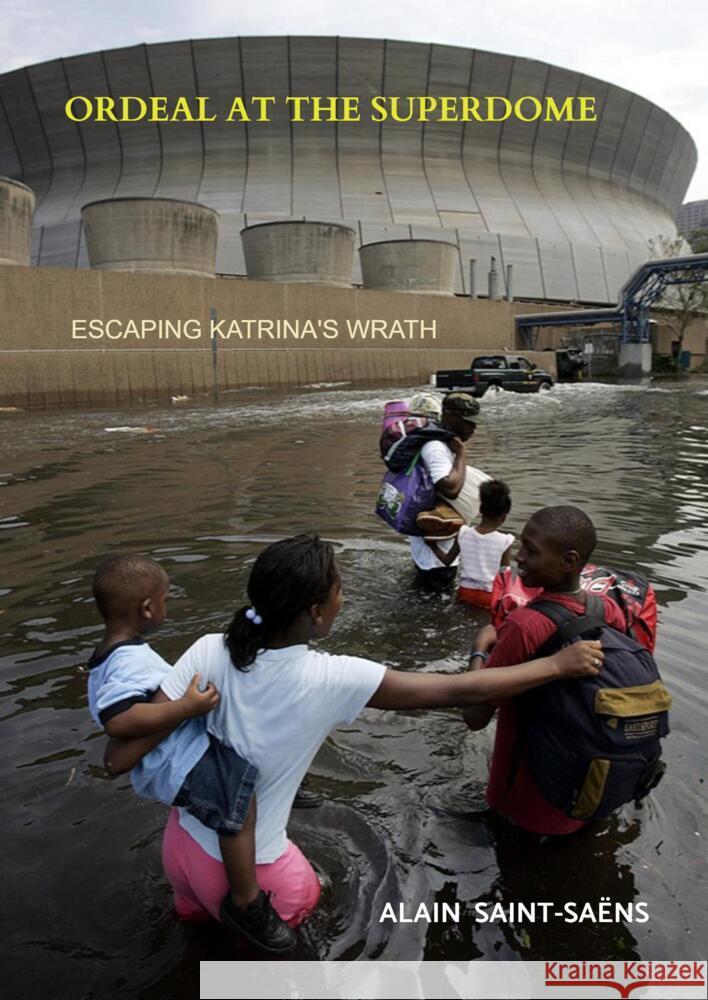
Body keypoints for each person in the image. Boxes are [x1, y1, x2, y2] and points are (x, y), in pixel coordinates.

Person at [104, 533, 604, 929]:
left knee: (197, 950)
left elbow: (138, 737)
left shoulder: (210, 647)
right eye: (338, 592)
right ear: (316, 612)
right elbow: (459, 690)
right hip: (257, 870)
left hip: (181, 850)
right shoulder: (333, 677)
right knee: (296, 934)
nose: (343, 600)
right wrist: (555, 666)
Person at [87, 554, 296, 953]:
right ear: (147, 608)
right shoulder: (128, 661)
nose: (167, 606)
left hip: (179, 756)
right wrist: (186, 707)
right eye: (165, 599)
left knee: (241, 771)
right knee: (239, 811)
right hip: (179, 763)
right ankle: (246, 902)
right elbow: (119, 720)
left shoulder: (112, 655)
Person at [461, 505, 627, 836]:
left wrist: (479, 651)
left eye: (531, 551)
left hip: (525, 803)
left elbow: (475, 715)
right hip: (588, 793)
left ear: (568, 561)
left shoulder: (524, 626)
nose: (519, 557)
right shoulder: (609, 609)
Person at [410, 392, 480, 587]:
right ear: (449, 417)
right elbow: (450, 488)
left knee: (422, 594)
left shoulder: (438, 441)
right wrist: (461, 453)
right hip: (438, 556)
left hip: (430, 546)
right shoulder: (436, 447)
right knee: (436, 598)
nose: (474, 428)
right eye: (468, 422)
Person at [427, 479, 514, 609]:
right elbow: (505, 575)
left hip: (465, 591)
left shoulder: (463, 533)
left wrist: (432, 545)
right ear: (504, 517)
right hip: (489, 595)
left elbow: (447, 561)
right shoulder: (505, 541)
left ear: (480, 509)